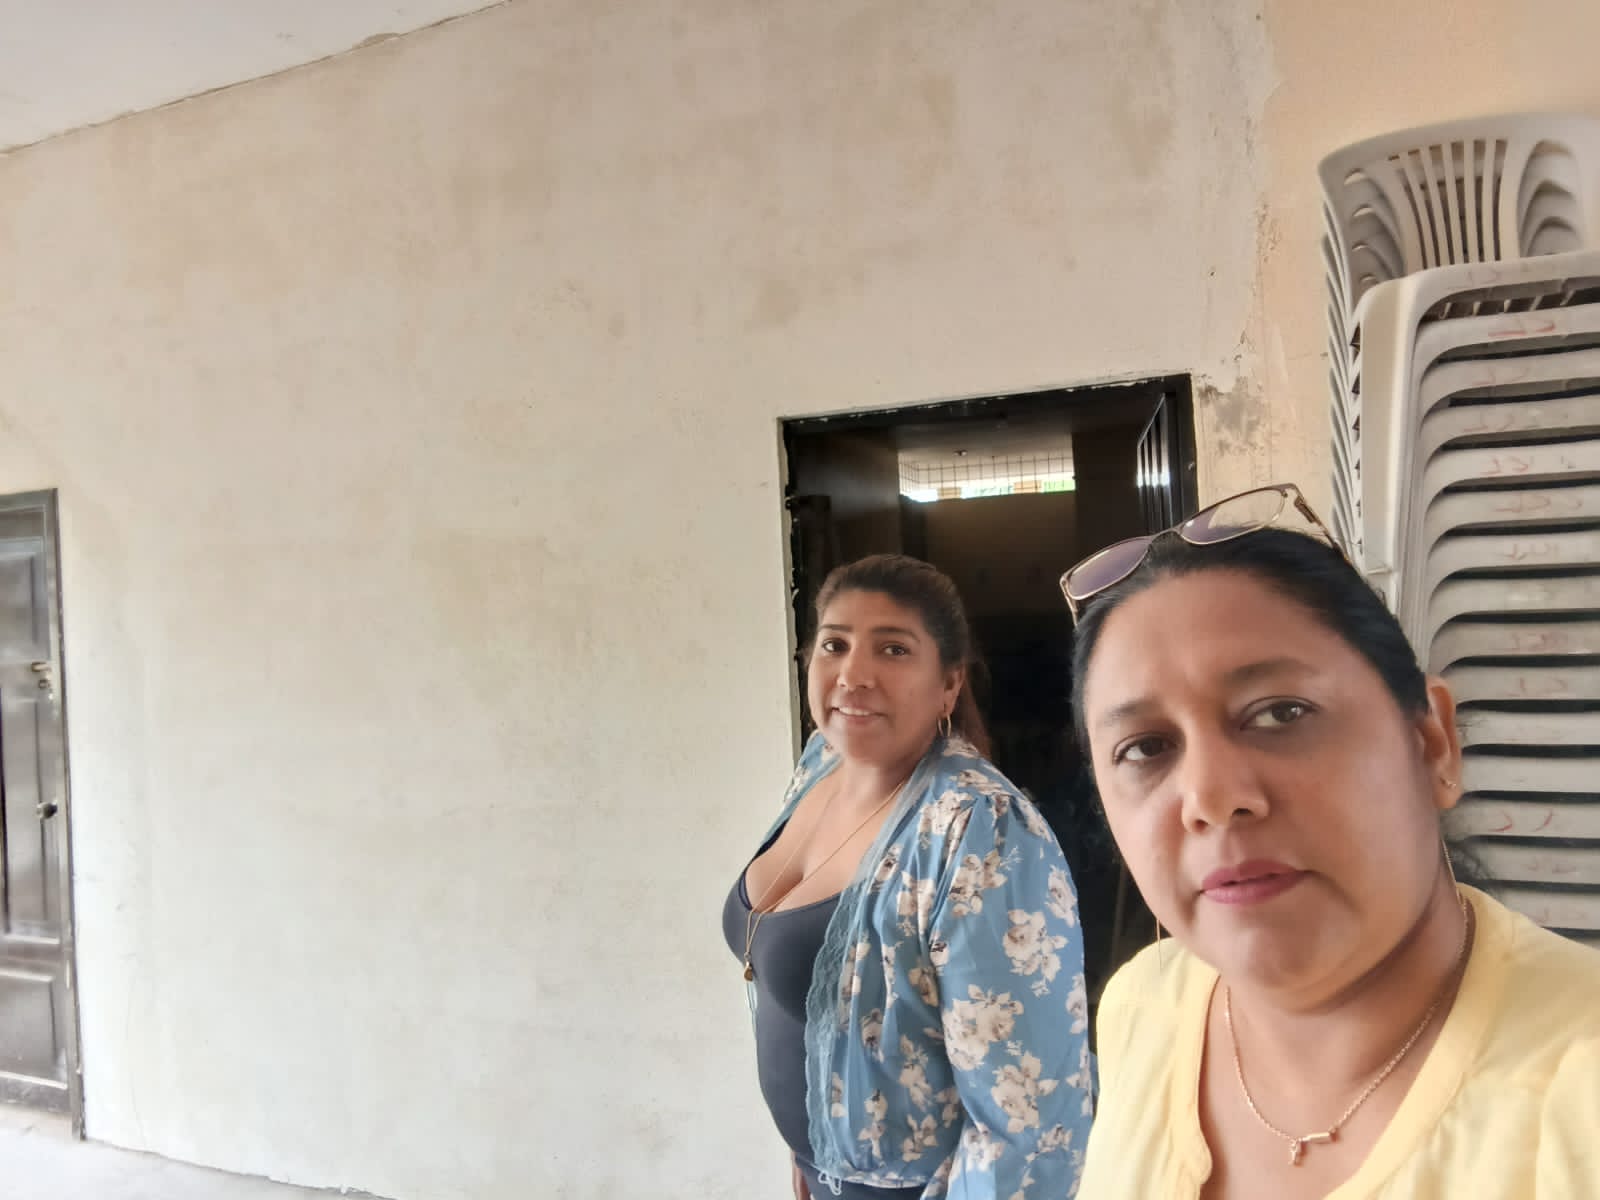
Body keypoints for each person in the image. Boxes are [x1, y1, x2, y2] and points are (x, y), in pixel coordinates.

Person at [1063, 483, 1600, 1199]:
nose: (1212, 799)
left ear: (1432, 743)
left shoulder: (1579, 1088)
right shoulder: (1144, 1008)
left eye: (1281, 713)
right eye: (1145, 748)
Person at [723, 554, 1093, 1199]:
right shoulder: (821, 763)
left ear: (948, 685)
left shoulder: (979, 829)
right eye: (835, 644)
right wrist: (809, 1147)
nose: (853, 674)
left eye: (893, 649)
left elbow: (1026, 1124)